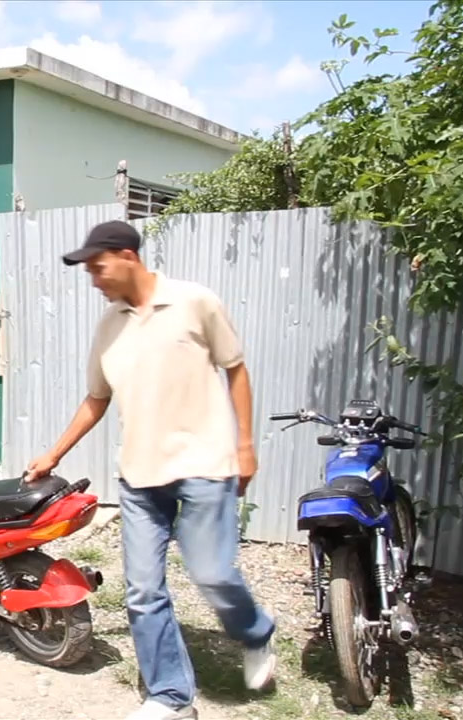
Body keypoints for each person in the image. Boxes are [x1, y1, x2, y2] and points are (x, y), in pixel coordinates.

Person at [25, 220, 276, 720]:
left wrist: (245, 445)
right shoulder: (108, 327)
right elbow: (97, 398)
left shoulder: (194, 301)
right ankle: (170, 696)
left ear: (126, 256)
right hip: (140, 475)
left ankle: (255, 632)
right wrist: (55, 453)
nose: (94, 279)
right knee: (142, 591)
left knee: (212, 573)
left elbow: (236, 367)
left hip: (205, 462)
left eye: (98, 267)